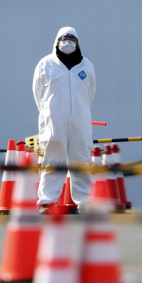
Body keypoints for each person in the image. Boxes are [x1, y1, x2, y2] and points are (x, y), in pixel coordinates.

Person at [33, 27, 96, 213]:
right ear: (57, 41)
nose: (67, 42)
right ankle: (47, 201)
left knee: (82, 159)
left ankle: (85, 202)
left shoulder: (87, 66)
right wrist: (49, 112)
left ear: (78, 42)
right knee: (53, 158)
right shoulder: (46, 64)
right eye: (64, 38)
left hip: (80, 120)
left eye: (72, 39)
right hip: (54, 120)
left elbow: (90, 94)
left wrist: (79, 111)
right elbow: (37, 93)